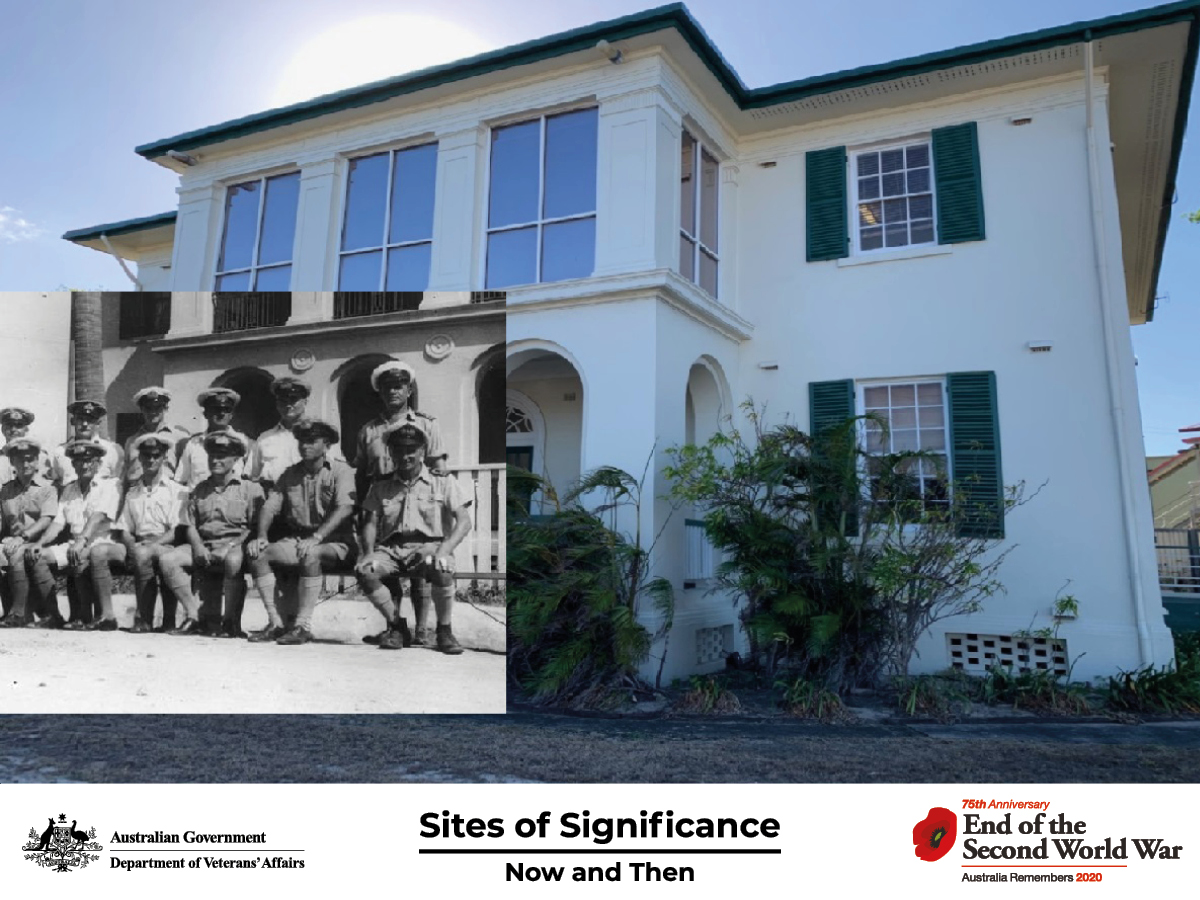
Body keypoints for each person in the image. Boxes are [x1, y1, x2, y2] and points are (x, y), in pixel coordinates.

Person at [352, 360, 447, 646]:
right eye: (387, 387)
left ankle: (422, 629)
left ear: (408, 390)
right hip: (382, 501)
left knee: (421, 570)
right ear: (379, 392)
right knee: (386, 565)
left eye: (399, 386)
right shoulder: (369, 430)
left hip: (417, 499)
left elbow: (439, 468)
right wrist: (361, 509)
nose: (393, 391)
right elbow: (361, 472)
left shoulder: (426, 424)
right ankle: (395, 626)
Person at [355, 424, 471, 654]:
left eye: (411, 450)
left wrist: (445, 549)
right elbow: (369, 522)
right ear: (390, 452)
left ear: (422, 451)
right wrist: (368, 553)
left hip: (430, 546)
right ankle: (398, 627)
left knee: (442, 567)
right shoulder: (381, 485)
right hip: (390, 548)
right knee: (365, 571)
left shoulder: (443, 482)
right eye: (398, 450)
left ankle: (444, 630)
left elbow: (465, 521)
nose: (405, 456)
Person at [246, 419, 356, 645]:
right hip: (299, 538)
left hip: (336, 541)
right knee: (258, 554)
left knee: (311, 554)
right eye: (302, 441)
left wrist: (317, 538)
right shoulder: (290, 474)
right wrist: (262, 537)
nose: (305, 446)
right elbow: (270, 506)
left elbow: (345, 507)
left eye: (312, 441)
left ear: (326, 445)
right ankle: (276, 624)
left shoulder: (340, 471)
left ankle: (302, 626)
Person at [158, 433, 263, 637]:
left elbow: (254, 526)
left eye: (223, 456)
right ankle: (193, 616)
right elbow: (189, 524)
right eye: (212, 455)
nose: (216, 460)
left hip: (235, 545)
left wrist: (230, 546)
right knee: (168, 559)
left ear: (236, 459)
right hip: (204, 544)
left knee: (233, 561)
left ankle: (231, 622)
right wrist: (197, 546)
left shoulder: (249, 489)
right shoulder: (200, 489)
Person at [95, 434, 189, 633]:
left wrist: (153, 545)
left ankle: (168, 619)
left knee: (153, 556)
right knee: (104, 551)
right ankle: (125, 617)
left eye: (156, 455)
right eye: (146, 455)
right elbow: (125, 528)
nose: (151, 460)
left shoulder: (176, 490)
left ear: (164, 457)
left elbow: (177, 528)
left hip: (167, 543)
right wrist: (131, 547)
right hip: (138, 544)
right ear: (140, 458)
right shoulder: (133, 492)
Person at [26, 440, 123, 630]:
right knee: (38, 556)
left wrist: (81, 542)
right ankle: (53, 615)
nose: (84, 465)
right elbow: (57, 522)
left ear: (98, 463)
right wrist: (40, 543)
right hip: (76, 542)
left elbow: (98, 517)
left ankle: (88, 617)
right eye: (79, 461)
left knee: (83, 553)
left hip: (102, 543)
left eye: (90, 461)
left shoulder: (110, 485)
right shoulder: (69, 489)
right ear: (73, 464)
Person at [0, 438, 58, 627]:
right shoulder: (6, 490)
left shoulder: (47, 488)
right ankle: (13, 610)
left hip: (42, 542)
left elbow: (46, 520)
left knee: (17, 552)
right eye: (20, 460)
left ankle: (19, 613)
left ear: (36, 461)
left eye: (30, 459)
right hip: (14, 541)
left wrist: (22, 537)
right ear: (12, 462)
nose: (26, 464)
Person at [175, 388, 252, 490]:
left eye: (226, 410)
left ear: (231, 415)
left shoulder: (243, 442)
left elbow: (250, 479)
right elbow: (180, 481)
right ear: (206, 414)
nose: (221, 414)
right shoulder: (193, 444)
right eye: (216, 409)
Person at [122, 387, 190, 487]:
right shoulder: (132, 441)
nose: (153, 412)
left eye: (158, 407)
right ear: (141, 409)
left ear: (165, 408)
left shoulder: (179, 437)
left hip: (167, 494)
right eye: (148, 408)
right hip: (137, 495)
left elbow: (186, 472)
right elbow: (126, 475)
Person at [49, 400, 124, 486]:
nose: (85, 424)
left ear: (97, 423)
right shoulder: (60, 452)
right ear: (73, 421)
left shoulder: (112, 450)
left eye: (90, 420)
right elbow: (56, 485)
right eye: (80, 419)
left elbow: (119, 484)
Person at [0, 407, 53, 484]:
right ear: (2, 429)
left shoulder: (41, 457)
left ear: (26, 429)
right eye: (9, 425)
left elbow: (47, 486)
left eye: (19, 425)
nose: (13, 429)